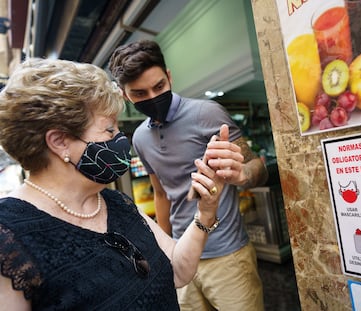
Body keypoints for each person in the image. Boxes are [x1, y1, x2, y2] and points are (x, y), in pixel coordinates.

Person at [0, 58, 225, 310]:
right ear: (60, 142)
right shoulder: (9, 237)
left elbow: (179, 272)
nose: (120, 138)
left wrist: (205, 212)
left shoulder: (116, 203)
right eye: (109, 130)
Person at [109, 40, 269, 311]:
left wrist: (242, 174)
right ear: (126, 96)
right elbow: (161, 194)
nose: (152, 97)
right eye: (139, 93)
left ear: (169, 77)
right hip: (182, 256)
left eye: (159, 87)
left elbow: (259, 167)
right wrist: (164, 251)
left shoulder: (207, 113)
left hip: (228, 255)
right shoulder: (140, 138)